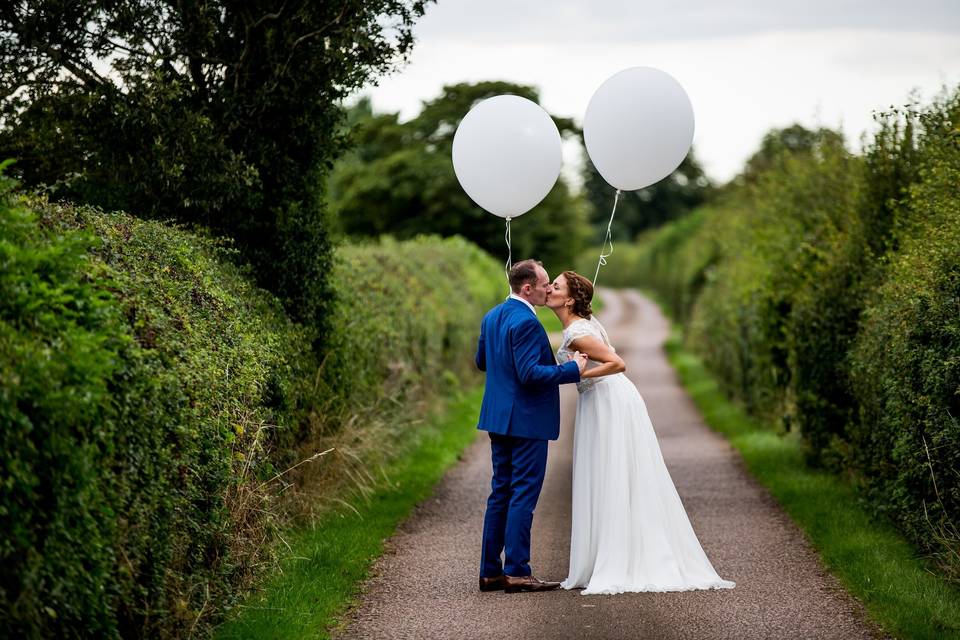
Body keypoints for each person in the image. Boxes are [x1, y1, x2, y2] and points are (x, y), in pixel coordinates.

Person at [548, 271, 736, 594]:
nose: (549, 289)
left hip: (608, 400)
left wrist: (581, 374)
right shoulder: (576, 328)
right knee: (613, 473)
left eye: (556, 286)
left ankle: (625, 557)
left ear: (569, 299)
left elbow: (617, 363)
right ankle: (614, 551)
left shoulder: (577, 333)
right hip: (603, 399)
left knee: (613, 472)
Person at [475, 259, 589, 594]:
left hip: (498, 417)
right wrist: (572, 370)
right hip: (525, 421)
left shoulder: (492, 315)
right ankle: (518, 572)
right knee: (522, 494)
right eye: (543, 285)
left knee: (501, 494)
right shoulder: (526, 321)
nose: (548, 289)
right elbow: (529, 374)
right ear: (528, 288)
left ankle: (490, 572)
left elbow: (483, 361)